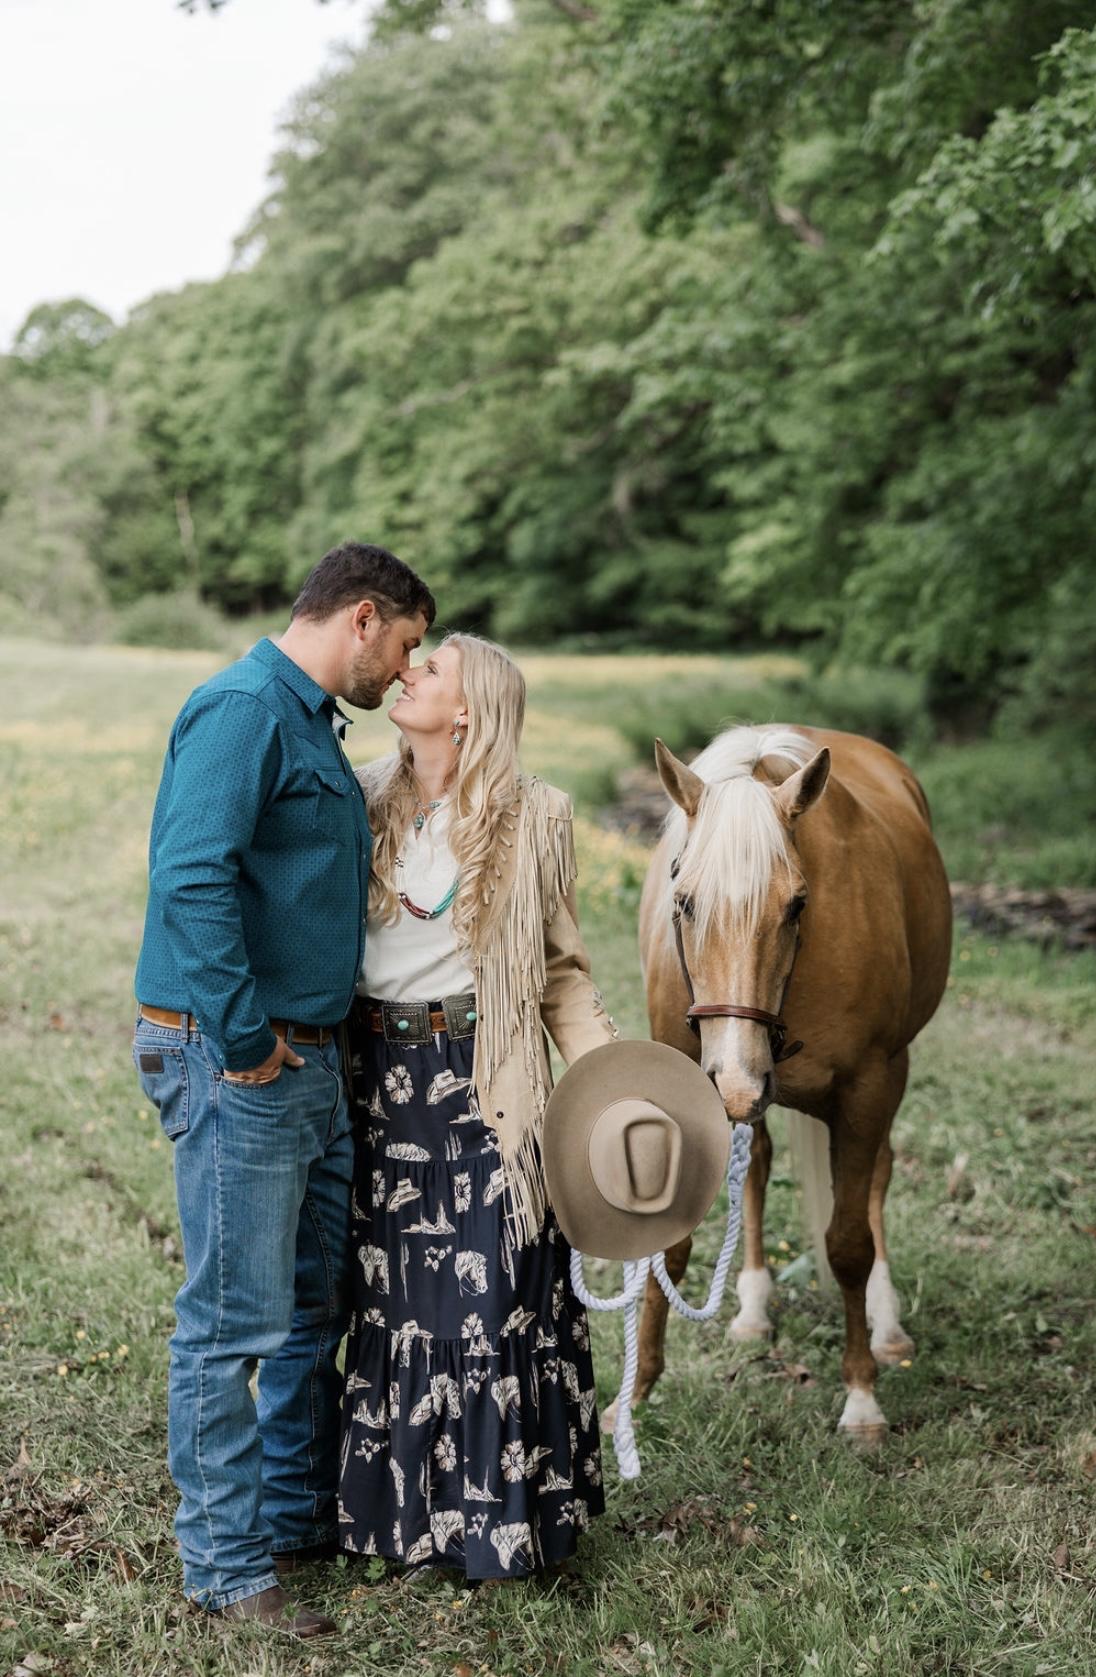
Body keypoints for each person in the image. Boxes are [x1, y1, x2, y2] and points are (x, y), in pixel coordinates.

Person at [132, 542, 435, 1638]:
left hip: (309, 1060)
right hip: (240, 1059)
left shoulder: (309, 721)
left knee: (317, 1304)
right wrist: (248, 1039)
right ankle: (223, 1569)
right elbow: (191, 874)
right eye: (404, 644)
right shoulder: (243, 711)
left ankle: (296, 1518)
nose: (406, 670)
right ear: (362, 617)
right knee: (233, 1323)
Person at [338, 632, 617, 1580]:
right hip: (378, 1079)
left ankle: (501, 1527)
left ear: (468, 709)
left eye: (431, 666)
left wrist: (614, 1089)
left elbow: (563, 979)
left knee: (492, 1298)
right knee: (398, 1296)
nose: (406, 669)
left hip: (487, 1078)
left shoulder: (538, 816)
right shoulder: (363, 797)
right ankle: (409, 1528)